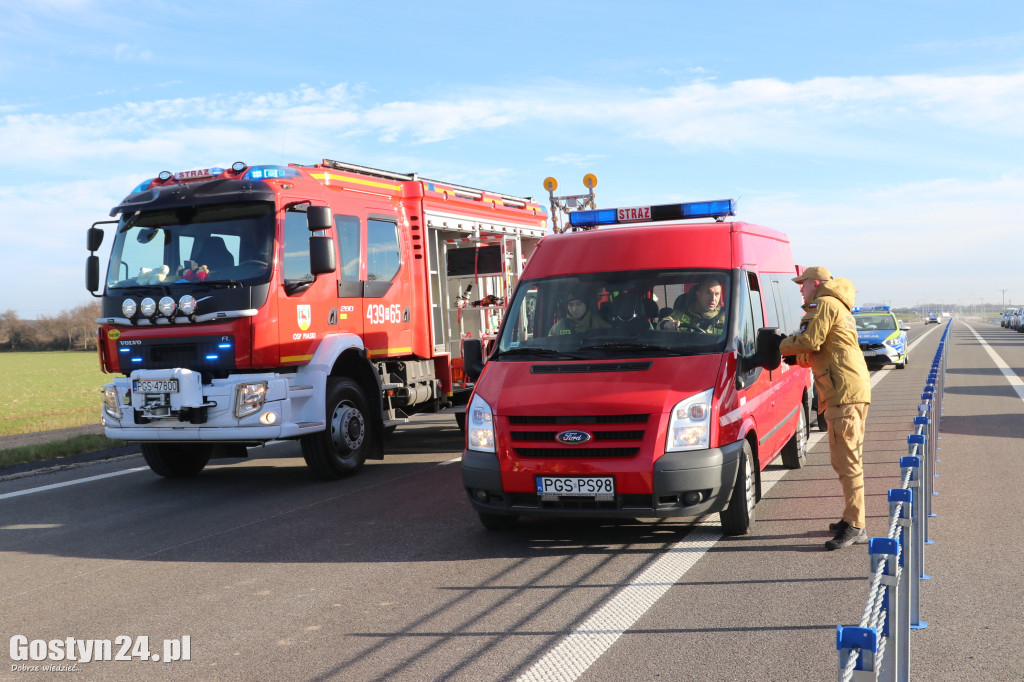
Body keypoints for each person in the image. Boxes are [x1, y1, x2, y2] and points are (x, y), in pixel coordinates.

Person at [778, 266, 872, 551]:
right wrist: (797, 358)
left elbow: (810, 341)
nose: (801, 288)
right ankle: (851, 517)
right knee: (845, 460)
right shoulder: (836, 304)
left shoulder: (824, 304)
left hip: (843, 393)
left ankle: (855, 525)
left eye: (804, 283)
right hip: (848, 389)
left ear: (816, 283)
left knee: (848, 461)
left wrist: (780, 345)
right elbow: (825, 350)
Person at [658, 275, 726, 334]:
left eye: (717, 294)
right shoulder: (683, 313)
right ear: (698, 294)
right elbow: (661, 324)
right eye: (709, 293)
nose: (713, 299)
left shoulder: (725, 317)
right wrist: (666, 324)